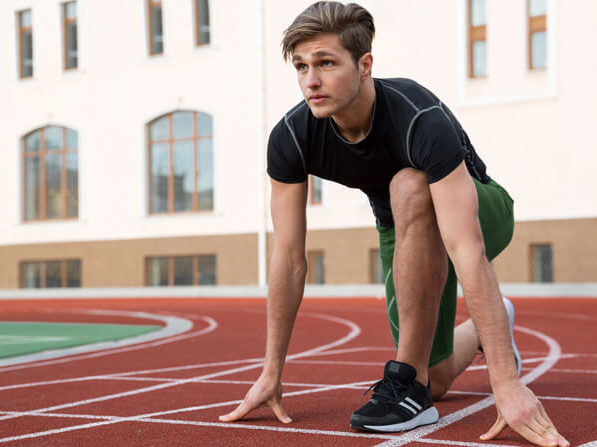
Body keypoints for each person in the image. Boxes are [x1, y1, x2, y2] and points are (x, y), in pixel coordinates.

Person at [219, 2, 569, 446]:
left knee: (406, 183)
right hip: (405, 228)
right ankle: (482, 330)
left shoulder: (418, 118)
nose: (311, 81)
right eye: (302, 66)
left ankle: (406, 383)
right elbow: (289, 259)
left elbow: (466, 248)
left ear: (365, 65)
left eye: (326, 63)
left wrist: (504, 380)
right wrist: (272, 372)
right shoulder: (292, 136)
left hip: (480, 211)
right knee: (436, 377)